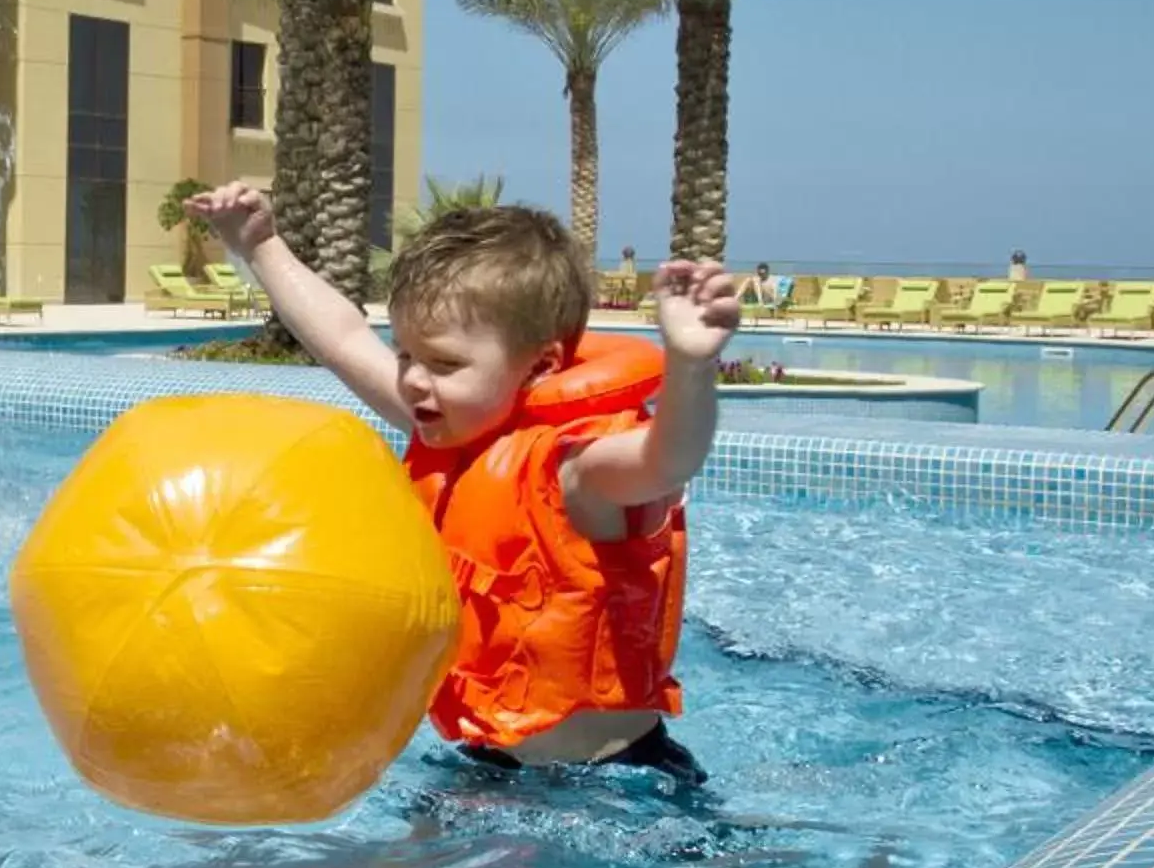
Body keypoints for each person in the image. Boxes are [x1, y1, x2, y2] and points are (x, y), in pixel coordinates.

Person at [188, 181, 740, 786]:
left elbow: (670, 459)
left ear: (542, 366)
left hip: (618, 788)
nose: (416, 381)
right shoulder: (447, 425)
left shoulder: (577, 471)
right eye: (405, 355)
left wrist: (691, 364)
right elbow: (343, 339)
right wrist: (261, 245)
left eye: (446, 364)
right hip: (485, 768)